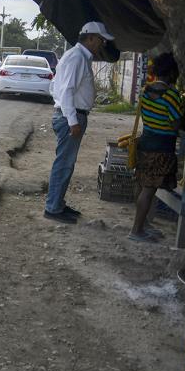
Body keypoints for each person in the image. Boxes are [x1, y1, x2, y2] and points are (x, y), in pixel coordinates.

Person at [44, 21, 113, 223]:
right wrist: (72, 120)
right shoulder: (77, 58)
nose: (102, 44)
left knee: (66, 163)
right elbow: (65, 91)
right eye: (101, 40)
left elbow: (54, 86)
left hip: (71, 115)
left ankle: (57, 204)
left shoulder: (78, 57)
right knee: (64, 164)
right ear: (90, 38)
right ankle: (53, 208)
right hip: (70, 117)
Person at [129, 53, 183, 242]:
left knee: (144, 185)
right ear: (171, 73)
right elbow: (175, 124)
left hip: (145, 143)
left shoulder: (145, 91)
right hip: (161, 148)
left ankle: (143, 225)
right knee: (149, 190)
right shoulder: (172, 95)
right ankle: (136, 231)